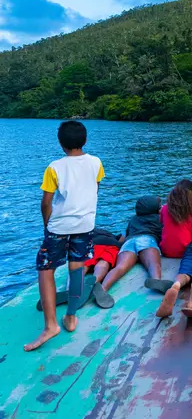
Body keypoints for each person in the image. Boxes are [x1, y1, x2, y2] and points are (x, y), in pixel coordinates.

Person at [25, 121, 105, 352]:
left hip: (59, 225)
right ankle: (71, 316)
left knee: (45, 268)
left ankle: (51, 326)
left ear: (61, 144)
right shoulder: (96, 163)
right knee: (76, 267)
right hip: (85, 223)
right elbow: (95, 188)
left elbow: (46, 202)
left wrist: (47, 224)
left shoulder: (54, 167)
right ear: (85, 140)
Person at [101, 196, 173, 295]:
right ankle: (156, 279)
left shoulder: (133, 219)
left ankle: (103, 287)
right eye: (159, 207)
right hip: (147, 240)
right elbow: (164, 236)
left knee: (120, 267)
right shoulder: (159, 219)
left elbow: (125, 235)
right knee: (153, 264)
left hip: (129, 242)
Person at [159, 182, 192, 258]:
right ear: (191, 194)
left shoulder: (165, 208)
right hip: (186, 251)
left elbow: (162, 222)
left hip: (165, 251)